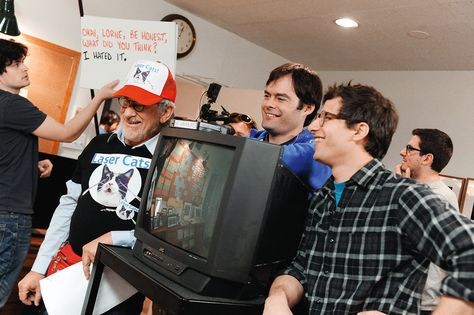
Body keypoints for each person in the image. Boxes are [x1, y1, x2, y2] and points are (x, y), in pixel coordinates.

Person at [263, 82, 474, 314]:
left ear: (359, 131)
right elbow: (302, 268)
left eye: (326, 118)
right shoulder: (324, 199)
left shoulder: (403, 196)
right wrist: (277, 298)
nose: (313, 127)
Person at [17, 60, 176, 314]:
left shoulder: (173, 160)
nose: (127, 113)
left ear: (165, 112)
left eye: (140, 105)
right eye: (125, 102)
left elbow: (169, 233)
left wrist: (115, 238)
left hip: (119, 290)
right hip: (68, 273)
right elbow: (68, 204)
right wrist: (39, 267)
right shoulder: (98, 144)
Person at [0, 38, 117, 308]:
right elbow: (68, 132)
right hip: (9, 216)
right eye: (17, 64)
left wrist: (32, 164)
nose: (25, 69)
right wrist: (99, 97)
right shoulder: (13, 105)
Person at [395, 128, 459, 315]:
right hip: (403, 294)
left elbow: (406, 238)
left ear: (426, 158)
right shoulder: (415, 189)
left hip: (421, 300)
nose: (402, 152)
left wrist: (403, 189)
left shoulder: (439, 197)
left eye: (409, 148)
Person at [249, 63, 331, 191]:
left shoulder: (314, 150)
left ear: (307, 108)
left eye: (280, 99)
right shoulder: (253, 138)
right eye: (267, 96)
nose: (269, 104)